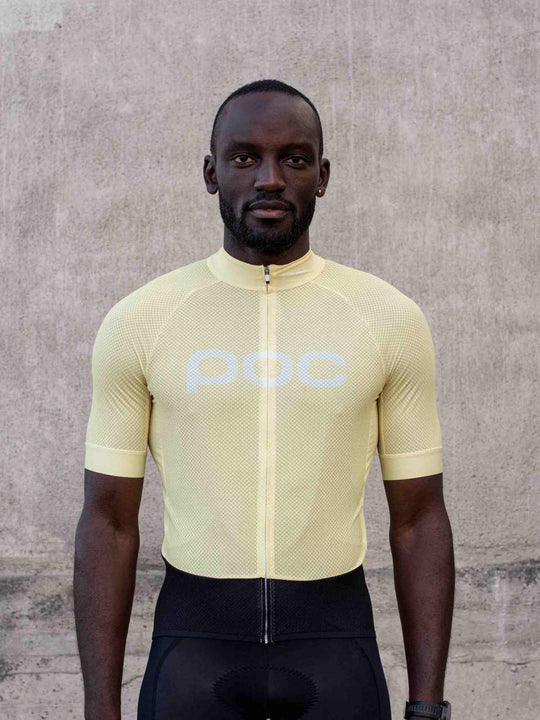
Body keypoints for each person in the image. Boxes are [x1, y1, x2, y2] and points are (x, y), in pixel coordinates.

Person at [74, 79, 455, 720]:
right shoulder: (141, 321)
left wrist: (428, 707)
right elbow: (108, 522)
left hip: (336, 656)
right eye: (245, 157)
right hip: (193, 660)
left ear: (322, 177)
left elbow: (419, 520)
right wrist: (98, 711)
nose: (270, 179)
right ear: (211, 173)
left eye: (294, 159)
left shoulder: (388, 319)